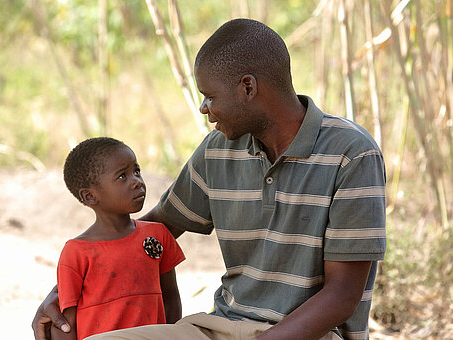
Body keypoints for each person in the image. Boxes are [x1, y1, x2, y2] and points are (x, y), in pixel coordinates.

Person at [33, 18, 386, 340]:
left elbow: (341, 295)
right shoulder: (218, 150)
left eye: (210, 96)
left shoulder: (351, 154)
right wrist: (64, 293)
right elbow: (149, 233)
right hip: (219, 328)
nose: (204, 109)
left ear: (247, 87)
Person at [49, 137, 185, 340]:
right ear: (90, 196)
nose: (137, 181)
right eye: (122, 176)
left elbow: (171, 297)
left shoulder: (157, 235)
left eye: (136, 171)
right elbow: (65, 323)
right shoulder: (76, 252)